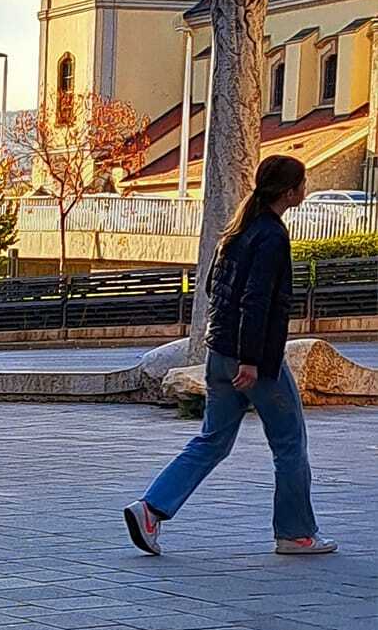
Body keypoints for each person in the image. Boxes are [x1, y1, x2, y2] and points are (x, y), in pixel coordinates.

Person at [125, 155, 337, 559]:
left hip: (219, 353)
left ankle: (150, 509)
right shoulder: (271, 236)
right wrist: (251, 361)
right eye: (303, 184)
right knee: (290, 443)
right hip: (253, 361)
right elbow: (256, 301)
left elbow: (213, 289)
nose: (305, 189)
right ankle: (296, 534)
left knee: (212, 440)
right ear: (289, 192)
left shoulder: (236, 231)